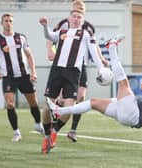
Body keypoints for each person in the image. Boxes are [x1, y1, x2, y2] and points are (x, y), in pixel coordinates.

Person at [47, 35, 142, 155]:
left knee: (124, 83)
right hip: (127, 111)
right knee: (93, 102)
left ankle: (111, 48)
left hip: (134, 116)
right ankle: (59, 111)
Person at [39, 7, 107, 154]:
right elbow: (50, 36)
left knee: (70, 107)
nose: (76, 19)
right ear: (69, 19)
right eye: (74, 16)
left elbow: (94, 51)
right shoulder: (62, 32)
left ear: (82, 21)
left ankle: (54, 132)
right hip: (56, 71)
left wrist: (101, 68)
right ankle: (46, 135)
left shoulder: (86, 34)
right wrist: (45, 26)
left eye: (79, 17)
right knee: (47, 106)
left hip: (73, 73)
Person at [0, 13, 44, 142]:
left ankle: (38, 124)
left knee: (33, 102)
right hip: (8, 77)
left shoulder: (20, 38)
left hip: (24, 76)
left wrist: (33, 72)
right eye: (6, 21)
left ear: (13, 23)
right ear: (2, 23)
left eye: (10, 21)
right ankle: (16, 132)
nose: (8, 23)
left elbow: (29, 55)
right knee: (10, 104)